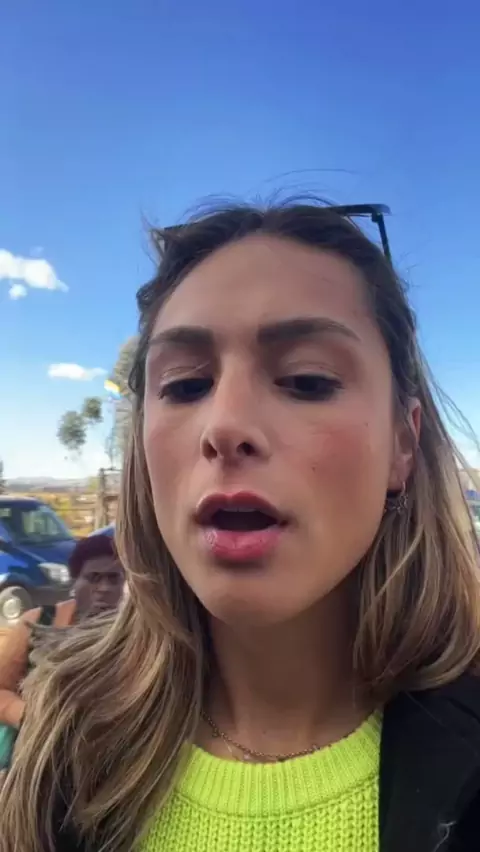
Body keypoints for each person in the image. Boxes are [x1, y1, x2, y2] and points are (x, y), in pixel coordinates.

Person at [1, 203, 480, 852]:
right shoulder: (65, 745)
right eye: (184, 385)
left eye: (306, 380)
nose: (225, 425)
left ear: (403, 442)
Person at [0, 532, 124, 764]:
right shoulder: (38, 623)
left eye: (113, 579)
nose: (104, 588)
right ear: (75, 582)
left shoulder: (135, 635)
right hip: (35, 756)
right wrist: (30, 717)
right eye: (93, 578)